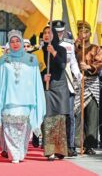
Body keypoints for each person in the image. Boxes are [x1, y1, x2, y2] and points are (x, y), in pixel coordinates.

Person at [0, 30, 45, 163]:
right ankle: (14, 153)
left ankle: (20, 151)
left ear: (22, 42)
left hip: (26, 101)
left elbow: (36, 81)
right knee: (10, 129)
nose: (15, 44)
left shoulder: (32, 59)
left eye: (17, 41)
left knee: (23, 130)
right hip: (8, 101)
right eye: (12, 41)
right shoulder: (4, 59)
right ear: (8, 44)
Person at [52, 20, 81, 157]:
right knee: (56, 116)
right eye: (56, 32)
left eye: (61, 32)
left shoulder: (69, 44)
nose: (59, 34)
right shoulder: (48, 45)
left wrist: (78, 74)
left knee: (69, 115)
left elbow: (73, 62)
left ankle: (70, 145)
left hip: (67, 81)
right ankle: (55, 146)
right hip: (54, 82)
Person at [39, 26, 69, 161]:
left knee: (60, 119)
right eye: (44, 33)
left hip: (60, 87)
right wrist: (42, 76)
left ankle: (60, 150)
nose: (46, 35)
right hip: (47, 88)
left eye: (49, 33)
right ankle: (49, 150)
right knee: (49, 119)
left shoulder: (61, 49)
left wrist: (54, 52)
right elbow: (37, 71)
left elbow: (62, 65)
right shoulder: (39, 52)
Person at [74, 21, 102, 155]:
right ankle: (78, 143)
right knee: (78, 113)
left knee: (92, 114)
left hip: (92, 82)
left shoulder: (96, 48)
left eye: (86, 32)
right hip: (79, 82)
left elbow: (100, 62)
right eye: (81, 32)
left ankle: (90, 144)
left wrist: (89, 67)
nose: (83, 34)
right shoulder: (75, 48)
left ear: (90, 33)